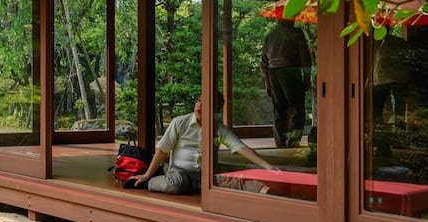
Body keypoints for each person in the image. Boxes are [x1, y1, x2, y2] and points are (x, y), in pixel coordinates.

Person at [128, 93, 277, 194]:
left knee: (235, 180)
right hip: (180, 173)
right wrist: (147, 175)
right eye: (199, 101)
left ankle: (269, 193)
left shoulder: (218, 128)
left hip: (206, 175)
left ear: (215, 110)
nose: (200, 105)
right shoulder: (180, 122)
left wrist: (267, 166)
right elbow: (162, 150)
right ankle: (150, 182)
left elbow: (241, 148)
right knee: (176, 184)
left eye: (206, 103)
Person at [261, 19, 312, 147]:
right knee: (297, 109)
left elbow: (264, 62)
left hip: (273, 73)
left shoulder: (270, 35)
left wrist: (267, 81)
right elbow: (305, 57)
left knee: (279, 110)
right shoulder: (296, 33)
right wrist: (307, 78)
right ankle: (292, 141)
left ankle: (280, 142)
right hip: (291, 71)